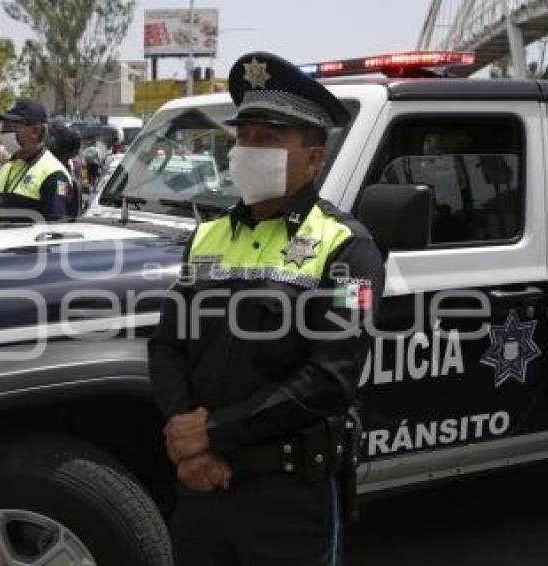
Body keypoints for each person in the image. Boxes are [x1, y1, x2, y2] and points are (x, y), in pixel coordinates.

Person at [148, 52, 386, 566]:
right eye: (244, 137)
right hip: (202, 488)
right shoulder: (207, 236)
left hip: (288, 497)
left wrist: (211, 433)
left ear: (314, 160)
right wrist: (189, 439)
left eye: (270, 139)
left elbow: (331, 377)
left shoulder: (349, 248)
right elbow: (168, 343)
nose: (249, 150)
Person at [0, 98, 73, 223]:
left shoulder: (54, 174)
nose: (4, 132)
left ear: (35, 131)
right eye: (4, 126)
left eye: (11, 126)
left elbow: (56, 230)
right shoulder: (8, 167)